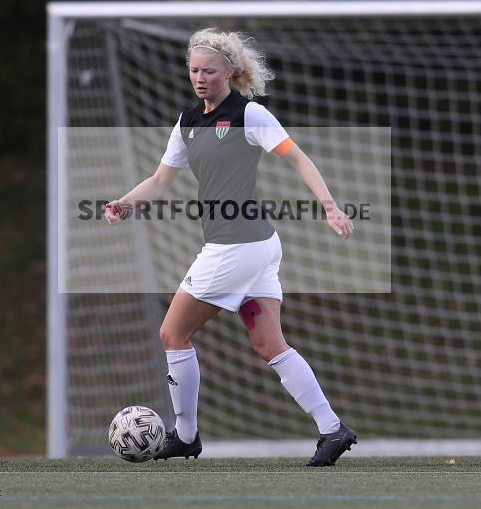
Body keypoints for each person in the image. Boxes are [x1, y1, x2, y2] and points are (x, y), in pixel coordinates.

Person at [104, 27, 356, 467]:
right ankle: (333, 430)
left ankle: (184, 435)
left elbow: (297, 156)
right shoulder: (187, 122)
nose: (200, 78)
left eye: (210, 71)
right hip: (255, 248)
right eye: (194, 70)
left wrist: (330, 206)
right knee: (269, 345)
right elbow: (161, 180)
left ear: (231, 73)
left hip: (237, 247)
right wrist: (127, 202)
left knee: (172, 333)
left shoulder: (250, 115)